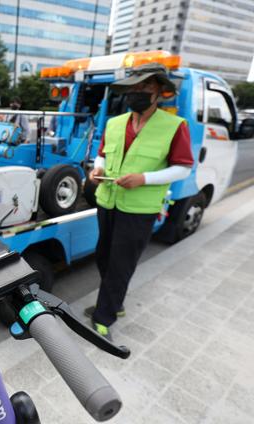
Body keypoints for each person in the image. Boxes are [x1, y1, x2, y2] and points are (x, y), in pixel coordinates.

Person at [86, 63, 194, 341]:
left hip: (139, 208)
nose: (138, 92)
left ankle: (104, 317)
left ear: (160, 93)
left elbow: (183, 168)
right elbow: (102, 156)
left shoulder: (174, 126)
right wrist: (96, 170)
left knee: (121, 263)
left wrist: (143, 178)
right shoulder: (115, 123)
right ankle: (115, 301)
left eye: (146, 87)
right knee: (103, 256)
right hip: (107, 201)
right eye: (135, 87)